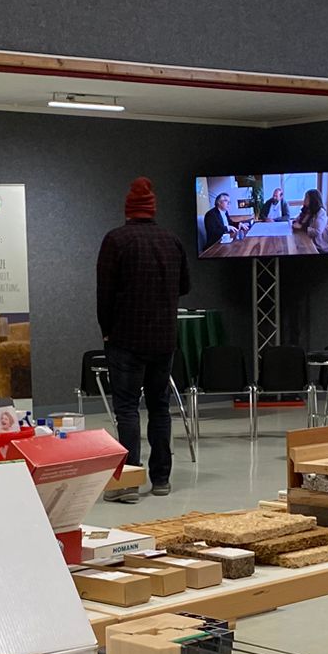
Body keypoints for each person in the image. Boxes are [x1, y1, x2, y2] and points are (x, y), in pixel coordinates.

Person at [97, 176, 190, 501]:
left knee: (127, 410)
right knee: (159, 408)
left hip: (125, 339)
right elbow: (185, 286)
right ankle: (161, 479)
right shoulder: (172, 240)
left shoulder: (116, 240)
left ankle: (128, 483)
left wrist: (106, 329)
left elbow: (105, 293)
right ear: (152, 210)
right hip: (163, 340)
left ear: (128, 210)